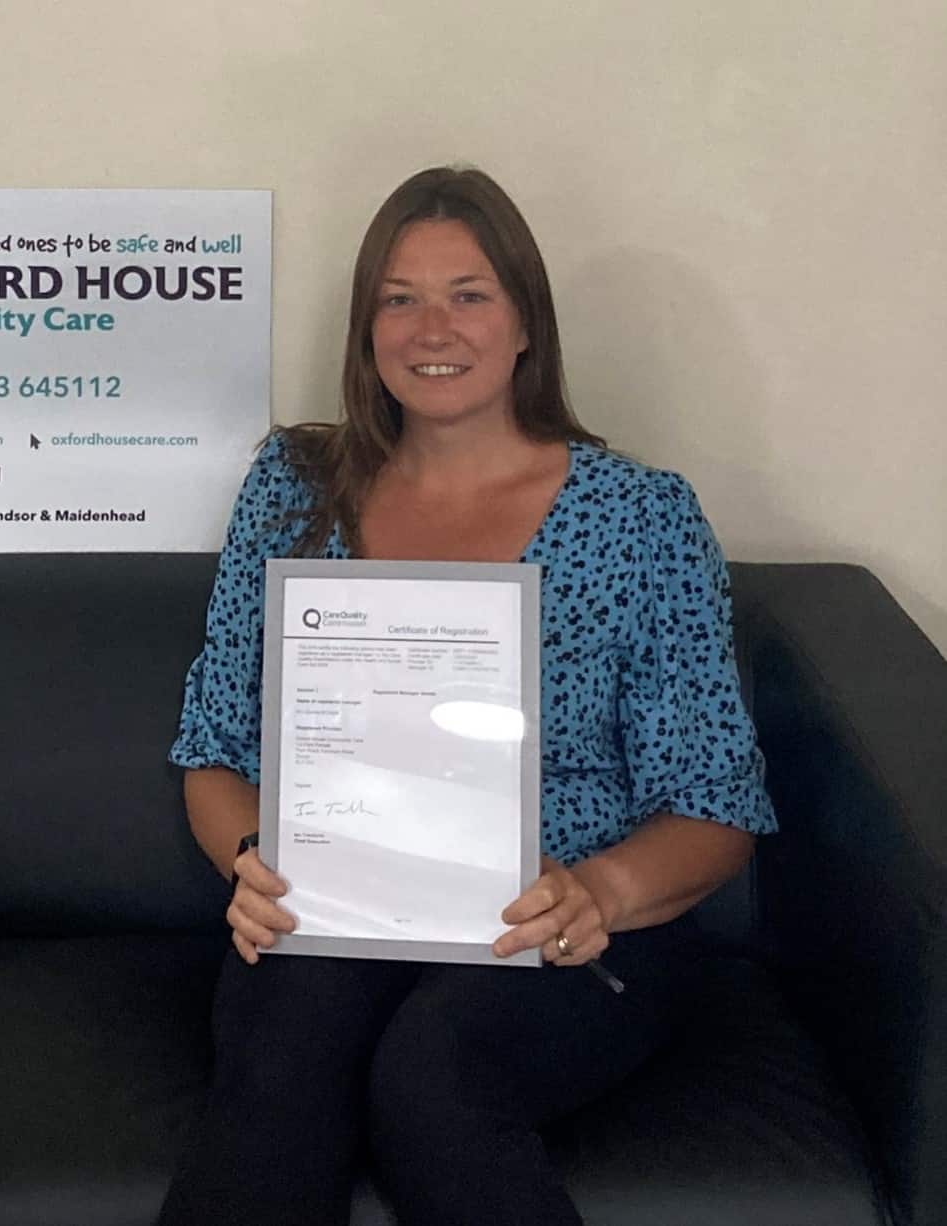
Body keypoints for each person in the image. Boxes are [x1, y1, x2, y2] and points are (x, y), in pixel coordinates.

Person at [157, 166, 776, 1226]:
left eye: (469, 292)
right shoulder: (292, 488)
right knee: (282, 1054)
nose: (431, 325)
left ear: (526, 319)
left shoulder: (642, 516)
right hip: (340, 905)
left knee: (431, 1075)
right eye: (398, 297)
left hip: (559, 926)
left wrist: (601, 895)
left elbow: (718, 808)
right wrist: (251, 865)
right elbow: (212, 744)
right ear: (366, 328)